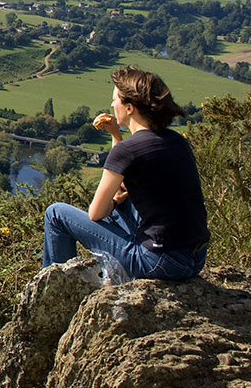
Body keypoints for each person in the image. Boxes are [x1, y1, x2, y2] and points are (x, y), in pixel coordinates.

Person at [42, 65, 209, 280]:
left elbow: (96, 213)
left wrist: (113, 202)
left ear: (129, 108)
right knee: (122, 203)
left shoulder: (128, 150)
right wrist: (115, 135)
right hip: (194, 260)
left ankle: (58, 288)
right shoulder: (176, 141)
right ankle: (110, 277)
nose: (112, 105)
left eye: (115, 100)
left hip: (158, 263)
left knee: (55, 214)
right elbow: (127, 171)